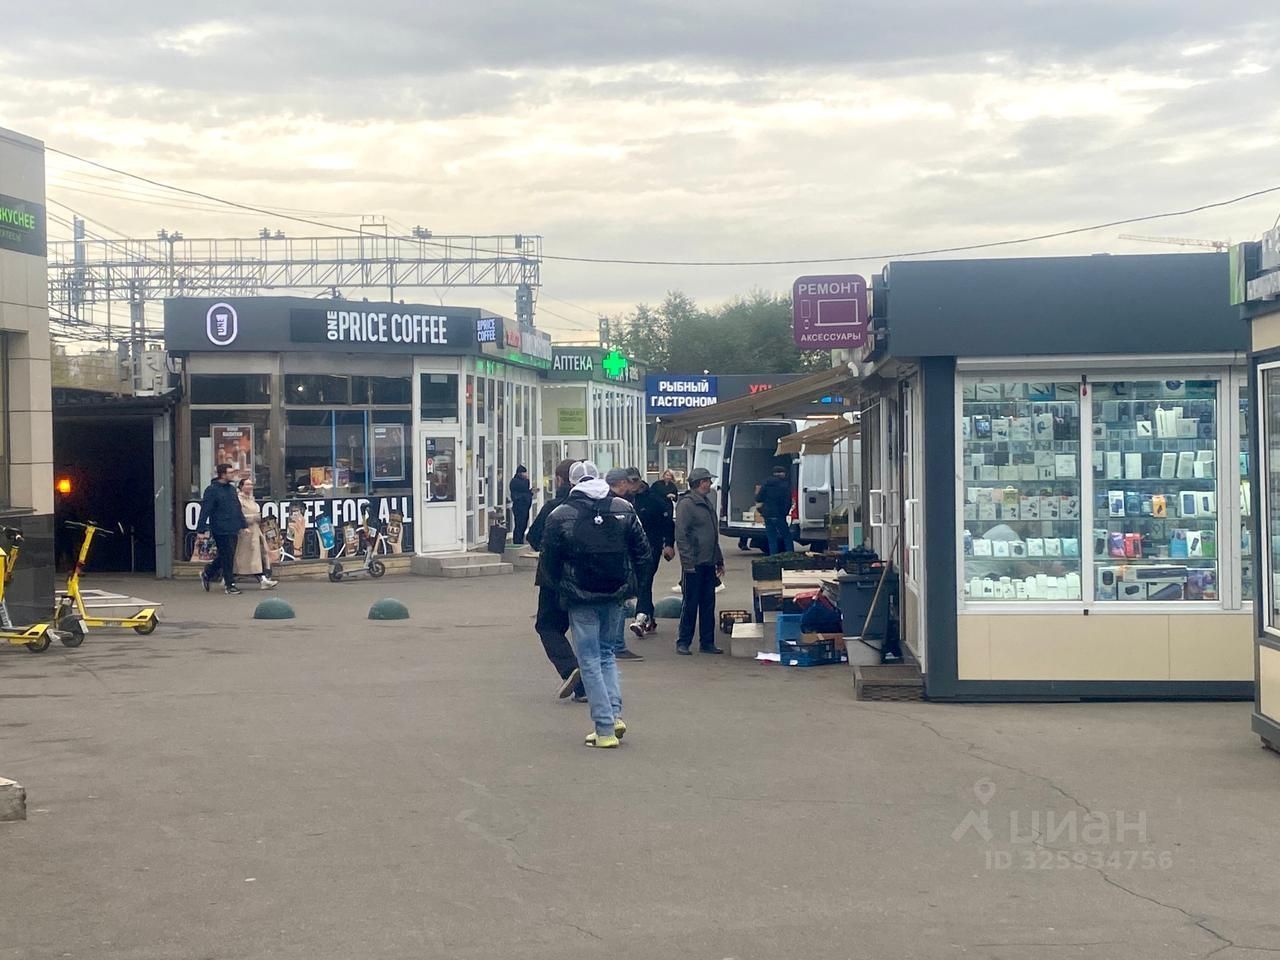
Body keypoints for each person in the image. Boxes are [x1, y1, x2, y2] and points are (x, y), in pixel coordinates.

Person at [541, 461, 650, 749]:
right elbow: (643, 552)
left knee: (589, 659)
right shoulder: (623, 508)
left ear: (572, 483)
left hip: (580, 597)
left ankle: (604, 728)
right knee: (607, 655)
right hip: (615, 593)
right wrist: (633, 588)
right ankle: (614, 715)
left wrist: (562, 591)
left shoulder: (560, 514)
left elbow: (548, 563)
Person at [528, 459, 585, 702]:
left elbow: (533, 536)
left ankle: (570, 669)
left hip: (555, 578)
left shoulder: (554, 507)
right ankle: (594, 687)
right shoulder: (600, 506)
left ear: (560, 480)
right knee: (587, 631)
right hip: (591, 578)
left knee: (548, 626)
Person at [674, 466, 725, 655]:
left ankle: (707, 642)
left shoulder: (706, 502)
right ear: (699, 483)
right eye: (707, 481)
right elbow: (681, 535)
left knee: (708, 605)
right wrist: (687, 563)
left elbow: (712, 535)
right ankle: (683, 642)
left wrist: (718, 559)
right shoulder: (687, 504)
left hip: (708, 562)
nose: (710, 484)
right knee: (690, 604)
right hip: (694, 564)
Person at [606, 467, 645, 661]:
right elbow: (633, 535)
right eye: (627, 482)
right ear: (622, 483)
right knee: (619, 604)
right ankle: (617, 646)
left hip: (609, 561)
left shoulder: (604, 502)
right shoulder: (619, 505)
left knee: (614, 606)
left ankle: (610, 645)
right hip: (620, 561)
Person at [629, 477, 675, 639]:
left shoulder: (654, 499)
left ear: (639, 481)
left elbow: (668, 523)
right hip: (630, 549)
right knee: (641, 583)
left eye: (633, 481)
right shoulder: (624, 500)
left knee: (645, 580)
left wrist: (668, 544)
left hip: (651, 548)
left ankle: (640, 618)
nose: (630, 485)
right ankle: (649, 617)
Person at [196, 464, 248, 595]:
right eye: (230, 472)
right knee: (227, 555)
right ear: (223, 474)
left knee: (228, 555)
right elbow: (205, 510)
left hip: (233, 527)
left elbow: (237, 508)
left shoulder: (231, 489)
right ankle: (230, 585)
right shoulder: (212, 490)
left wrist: (243, 525)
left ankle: (208, 572)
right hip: (220, 528)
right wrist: (201, 529)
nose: (233, 475)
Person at [234, 478, 278, 589]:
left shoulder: (251, 499)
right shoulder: (238, 500)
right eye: (247, 484)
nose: (250, 487)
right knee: (246, 559)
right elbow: (237, 515)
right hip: (245, 533)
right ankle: (227, 578)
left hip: (255, 531)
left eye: (251, 484)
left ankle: (263, 579)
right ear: (241, 487)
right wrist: (252, 518)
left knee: (258, 556)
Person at [756, 464, 795, 556]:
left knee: (772, 538)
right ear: (782, 474)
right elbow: (787, 501)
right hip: (779, 515)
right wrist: (785, 512)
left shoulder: (766, 483)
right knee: (787, 536)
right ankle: (790, 555)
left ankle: (773, 557)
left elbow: (758, 498)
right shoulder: (785, 485)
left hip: (768, 514)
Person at [509, 466, 533, 545]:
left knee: (523, 524)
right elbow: (522, 492)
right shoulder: (516, 482)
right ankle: (517, 541)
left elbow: (525, 492)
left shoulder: (523, 482)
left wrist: (530, 492)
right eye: (524, 473)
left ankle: (520, 540)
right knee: (519, 524)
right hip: (519, 507)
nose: (526, 474)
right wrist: (528, 493)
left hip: (525, 507)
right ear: (520, 473)